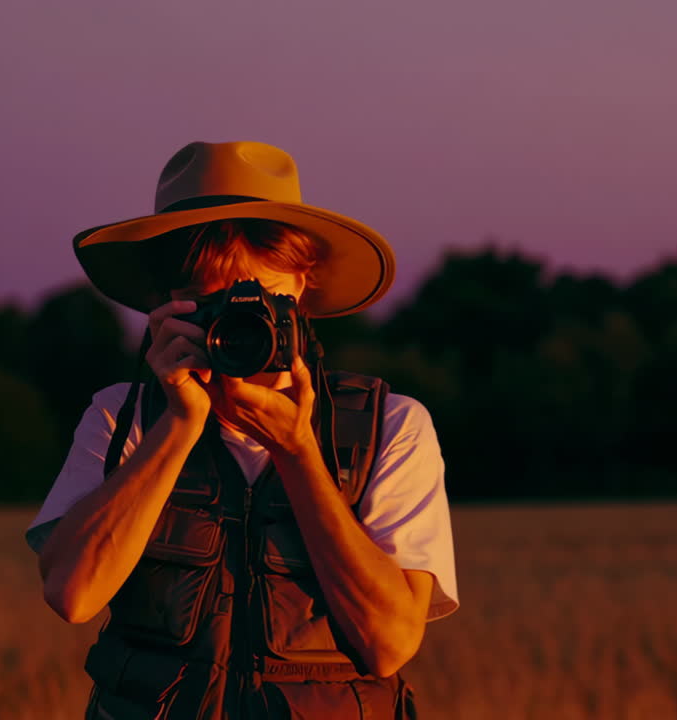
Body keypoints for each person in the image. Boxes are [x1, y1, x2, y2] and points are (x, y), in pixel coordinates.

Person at [25, 141, 458, 719]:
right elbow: (73, 595)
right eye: (213, 302)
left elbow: (389, 644)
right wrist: (177, 427)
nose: (240, 320)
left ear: (303, 286)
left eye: (262, 300)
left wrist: (298, 449)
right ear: (169, 303)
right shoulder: (121, 415)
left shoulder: (391, 426)